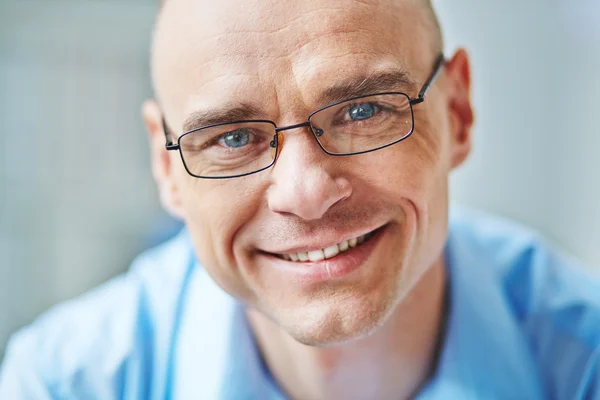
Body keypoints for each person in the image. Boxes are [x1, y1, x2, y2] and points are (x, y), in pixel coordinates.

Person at [1, 0, 599, 398]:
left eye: (363, 111)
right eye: (232, 137)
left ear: (458, 113)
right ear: (168, 168)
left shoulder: (582, 361)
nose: (307, 194)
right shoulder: (62, 382)